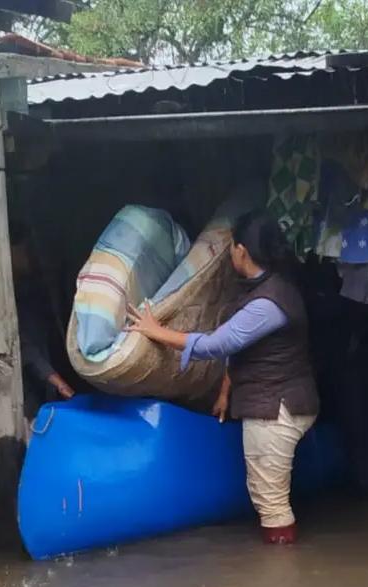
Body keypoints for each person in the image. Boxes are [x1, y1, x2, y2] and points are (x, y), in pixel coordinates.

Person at [127, 213, 319, 544]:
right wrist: (226, 391)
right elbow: (245, 349)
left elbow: (220, 343)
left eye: (231, 247)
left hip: (275, 408)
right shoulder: (271, 288)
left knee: (269, 501)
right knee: (268, 494)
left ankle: (281, 581)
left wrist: (156, 331)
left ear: (241, 251)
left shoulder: (268, 302)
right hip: (281, 401)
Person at [0, 233, 75, 529]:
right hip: (13, 400)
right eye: (22, 252)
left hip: (22, 395)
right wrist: (56, 379)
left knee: (11, 474)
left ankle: (1, 540)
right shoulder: (10, 298)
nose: (28, 258)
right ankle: (4, 534)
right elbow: (25, 348)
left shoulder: (27, 294)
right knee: (10, 475)